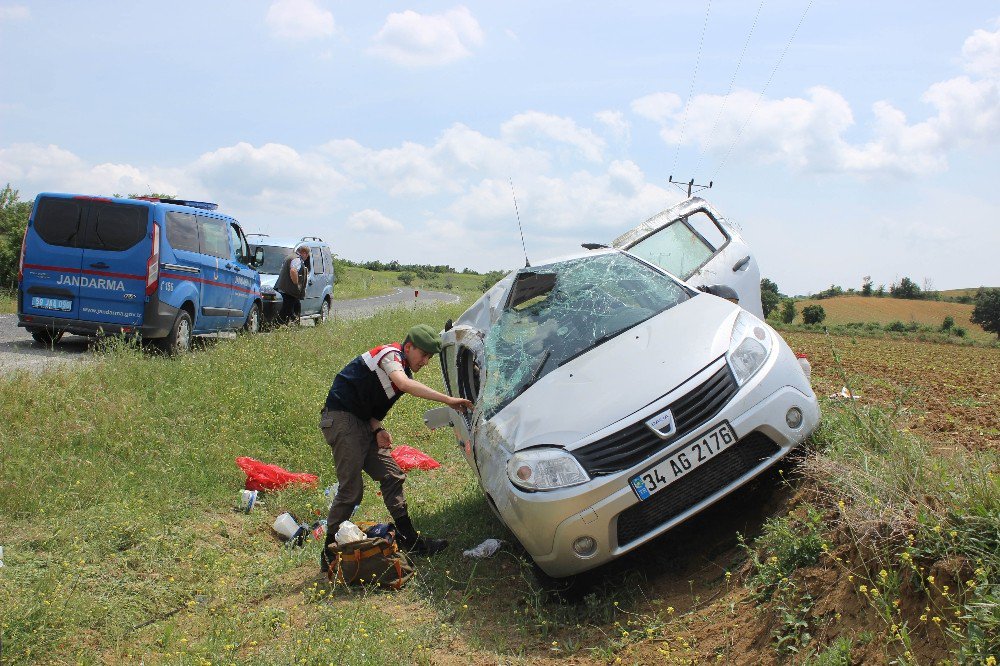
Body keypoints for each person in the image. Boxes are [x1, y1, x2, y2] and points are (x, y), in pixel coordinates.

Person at [319, 324, 473, 573]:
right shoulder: (390, 355)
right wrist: (448, 400)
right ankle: (329, 552)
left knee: (392, 475)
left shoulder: (401, 371)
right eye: (423, 354)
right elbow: (402, 383)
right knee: (351, 491)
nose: (425, 361)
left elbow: (369, 403)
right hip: (342, 419)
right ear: (408, 347)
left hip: (360, 422)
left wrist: (378, 429)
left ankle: (409, 539)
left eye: (429, 357)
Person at [274, 244, 309, 324]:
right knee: (289, 312)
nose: (307, 257)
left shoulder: (289, 257)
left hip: (285, 290)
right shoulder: (297, 259)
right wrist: (296, 283)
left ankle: (288, 326)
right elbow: (293, 271)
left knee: (293, 309)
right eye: (307, 254)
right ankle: (285, 327)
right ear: (304, 253)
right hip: (289, 292)